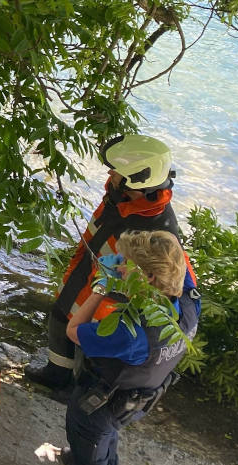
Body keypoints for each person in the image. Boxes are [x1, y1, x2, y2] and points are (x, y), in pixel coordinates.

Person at [32, 230, 200, 465]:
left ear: (147, 277)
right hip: (137, 398)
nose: (119, 263)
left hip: (97, 406)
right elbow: (177, 255)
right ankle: (93, 457)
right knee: (103, 443)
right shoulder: (188, 303)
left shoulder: (130, 334)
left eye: (124, 262)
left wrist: (101, 287)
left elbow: (73, 331)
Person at [26, 134, 182, 390]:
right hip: (88, 272)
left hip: (108, 295)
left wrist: (108, 290)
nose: (111, 171)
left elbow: (163, 279)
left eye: (117, 170)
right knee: (59, 316)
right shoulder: (122, 196)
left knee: (86, 346)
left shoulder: (156, 229)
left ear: (139, 180)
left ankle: (74, 390)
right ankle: (56, 374)